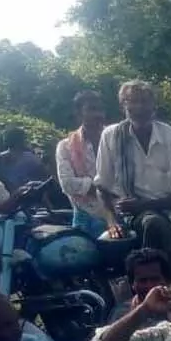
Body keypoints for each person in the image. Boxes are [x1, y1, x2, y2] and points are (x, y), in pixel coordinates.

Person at [95, 80, 171, 279]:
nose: (139, 108)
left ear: (154, 106)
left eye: (145, 102)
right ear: (123, 106)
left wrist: (144, 204)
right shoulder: (111, 136)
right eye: (133, 102)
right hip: (134, 219)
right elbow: (102, 186)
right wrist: (111, 222)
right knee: (153, 223)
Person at [55, 91, 117, 238]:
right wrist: (103, 187)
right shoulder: (65, 146)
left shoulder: (116, 140)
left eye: (100, 109)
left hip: (120, 214)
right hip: (86, 217)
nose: (98, 115)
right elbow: (67, 184)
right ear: (78, 113)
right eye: (92, 109)